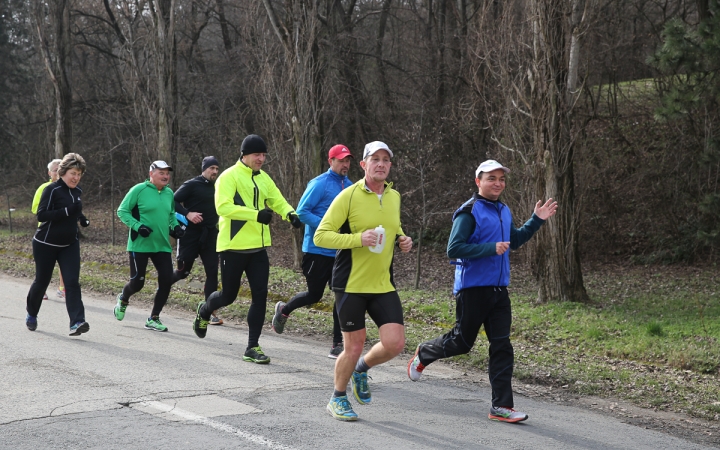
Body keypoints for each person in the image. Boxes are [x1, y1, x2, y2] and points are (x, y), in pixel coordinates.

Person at [406, 159, 558, 424]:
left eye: (501, 179)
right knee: (461, 344)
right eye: (491, 178)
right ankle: (424, 353)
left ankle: (501, 406)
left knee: (502, 346)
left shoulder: (503, 209)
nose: (498, 183)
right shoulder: (469, 211)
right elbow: (453, 249)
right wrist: (490, 248)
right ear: (478, 181)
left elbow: (515, 241)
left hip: (500, 290)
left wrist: (537, 220)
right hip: (473, 289)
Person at [314, 141, 413, 421]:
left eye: (386, 160)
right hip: (350, 284)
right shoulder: (348, 196)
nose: (381, 164)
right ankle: (337, 398)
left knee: (394, 343)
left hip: (382, 283)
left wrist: (402, 240)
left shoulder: (394, 196)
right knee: (353, 345)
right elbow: (322, 235)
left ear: (390, 166)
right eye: (375, 159)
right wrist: (358, 239)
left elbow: (393, 227)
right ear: (364, 165)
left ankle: (361, 368)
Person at [192, 134, 302, 364]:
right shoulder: (228, 177)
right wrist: (255, 215)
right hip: (233, 247)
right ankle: (205, 310)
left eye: (263, 155)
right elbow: (223, 208)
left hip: (258, 248)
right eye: (256, 155)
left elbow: (276, 200)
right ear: (244, 155)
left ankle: (252, 346)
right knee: (228, 296)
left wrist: (290, 213)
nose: (261, 159)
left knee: (260, 296)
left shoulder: (264, 178)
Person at [271, 144, 353, 358]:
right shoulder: (319, 184)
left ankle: (338, 343)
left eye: (348, 160)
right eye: (341, 160)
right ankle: (284, 310)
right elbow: (302, 212)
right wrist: (327, 226)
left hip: (340, 251)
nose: (345, 164)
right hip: (316, 250)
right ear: (331, 161)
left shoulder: (352, 187)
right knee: (315, 295)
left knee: (341, 296)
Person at [115, 160, 184, 332]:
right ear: (151, 173)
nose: (166, 176)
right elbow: (122, 211)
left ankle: (154, 318)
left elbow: (170, 215)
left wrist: (175, 227)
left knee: (166, 281)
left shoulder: (169, 193)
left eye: (167, 173)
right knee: (137, 283)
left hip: (162, 245)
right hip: (139, 244)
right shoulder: (138, 190)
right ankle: (123, 298)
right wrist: (138, 226)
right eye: (161, 173)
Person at [26, 153, 91, 335]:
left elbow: (75, 211)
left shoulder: (77, 192)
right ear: (63, 172)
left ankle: (77, 322)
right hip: (45, 243)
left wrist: (82, 219)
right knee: (42, 281)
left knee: (72, 283)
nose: (76, 178)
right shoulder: (52, 190)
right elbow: (42, 215)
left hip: (69, 244)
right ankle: (31, 313)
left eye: (79, 174)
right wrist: (67, 211)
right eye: (73, 173)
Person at [170, 156, 224, 325]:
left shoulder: (220, 186)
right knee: (183, 272)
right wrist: (188, 213)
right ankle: (163, 285)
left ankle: (210, 311)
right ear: (204, 169)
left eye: (216, 168)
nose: (215, 171)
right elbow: (172, 201)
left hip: (210, 235)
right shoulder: (192, 184)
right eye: (211, 168)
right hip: (190, 235)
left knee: (212, 273)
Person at [31, 158, 65, 300]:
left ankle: (63, 289)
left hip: (64, 231)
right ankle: (41, 288)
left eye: (60, 170)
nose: (57, 173)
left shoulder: (68, 188)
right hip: (46, 232)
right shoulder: (43, 188)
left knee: (65, 261)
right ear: (49, 173)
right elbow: (35, 209)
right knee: (45, 264)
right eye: (55, 170)